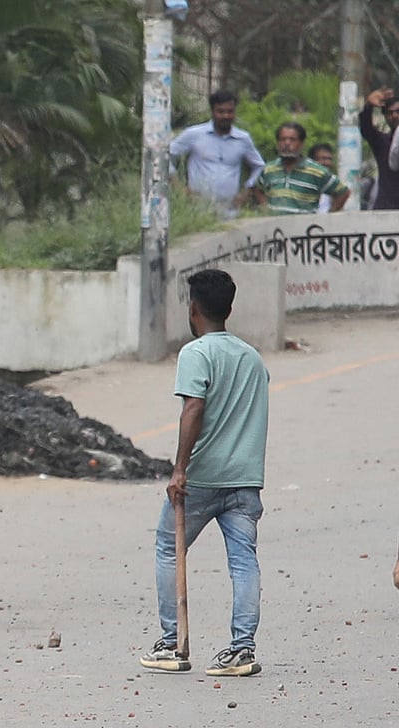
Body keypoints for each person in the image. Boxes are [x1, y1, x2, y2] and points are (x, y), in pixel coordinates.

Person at [140, 269, 270, 677]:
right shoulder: (252, 357)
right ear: (228, 308)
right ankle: (242, 649)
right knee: (244, 561)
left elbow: (193, 408)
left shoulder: (196, 354)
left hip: (203, 480)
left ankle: (171, 642)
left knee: (168, 547)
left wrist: (180, 470)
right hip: (246, 480)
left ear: (193, 308)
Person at [168, 89, 266, 218]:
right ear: (212, 111)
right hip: (196, 209)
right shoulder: (194, 134)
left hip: (230, 210)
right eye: (220, 111)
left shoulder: (243, 139)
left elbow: (259, 166)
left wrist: (248, 189)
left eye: (230, 111)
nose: (225, 116)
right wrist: (179, 188)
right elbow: (164, 157)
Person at [254, 122, 350, 214]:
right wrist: (265, 208)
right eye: (283, 139)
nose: (287, 143)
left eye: (292, 139)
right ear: (277, 143)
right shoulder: (268, 169)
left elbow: (343, 192)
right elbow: (256, 188)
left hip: (304, 228)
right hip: (274, 228)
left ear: (301, 143)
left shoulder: (316, 171)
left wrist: (328, 217)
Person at [359, 87, 399, 210]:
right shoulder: (382, 142)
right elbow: (366, 129)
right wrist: (368, 106)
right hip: (386, 208)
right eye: (390, 113)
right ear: (385, 116)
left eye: (398, 111)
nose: (395, 116)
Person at [308, 143, 336, 213]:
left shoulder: (334, 184)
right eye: (323, 158)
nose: (327, 162)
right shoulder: (304, 183)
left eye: (329, 159)